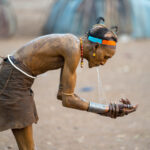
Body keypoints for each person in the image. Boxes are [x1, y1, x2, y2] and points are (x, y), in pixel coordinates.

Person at [0, 18, 137, 150]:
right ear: (96, 46)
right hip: (14, 79)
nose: (103, 62)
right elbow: (68, 99)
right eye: (106, 57)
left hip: (17, 78)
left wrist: (106, 110)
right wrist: (106, 110)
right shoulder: (73, 48)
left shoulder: (72, 45)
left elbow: (62, 95)